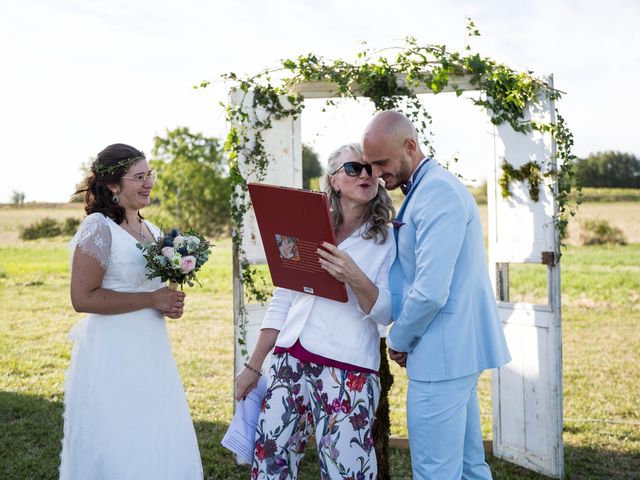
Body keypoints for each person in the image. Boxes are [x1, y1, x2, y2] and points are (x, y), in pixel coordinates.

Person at [362, 111, 511, 480]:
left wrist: (398, 338)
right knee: (469, 468)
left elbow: (430, 291)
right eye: (371, 165)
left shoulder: (437, 192)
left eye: (382, 163)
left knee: (434, 472)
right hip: (454, 353)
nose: (377, 174)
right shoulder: (429, 189)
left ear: (410, 146)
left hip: (441, 356)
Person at [235, 143, 396, 480]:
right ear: (334, 180)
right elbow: (282, 298)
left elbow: (386, 312)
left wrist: (352, 275)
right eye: (354, 168)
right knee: (270, 461)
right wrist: (254, 365)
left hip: (348, 367)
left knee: (346, 471)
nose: (365, 174)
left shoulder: (387, 239)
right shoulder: (307, 226)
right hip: (289, 359)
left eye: (371, 169)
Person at [60, 143, 203, 479]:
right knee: (120, 438)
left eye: (149, 174)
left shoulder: (151, 229)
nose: (148, 183)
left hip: (151, 350)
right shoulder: (98, 228)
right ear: (113, 185)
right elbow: (82, 298)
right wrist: (152, 299)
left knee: (155, 432)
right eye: (138, 177)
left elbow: (149, 288)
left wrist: (168, 301)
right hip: (114, 352)